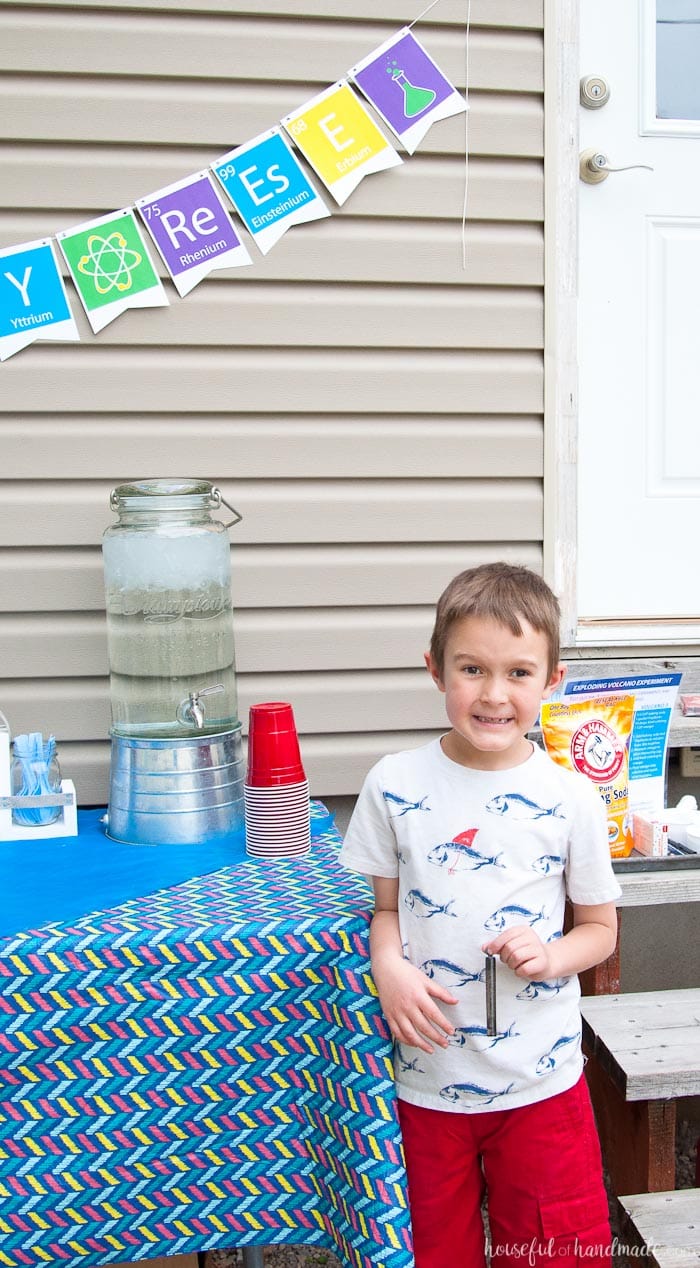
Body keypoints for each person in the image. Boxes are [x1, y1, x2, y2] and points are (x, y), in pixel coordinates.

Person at [339, 562, 621, 1268]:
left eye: (519, 673)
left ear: (552, 681)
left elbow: (600, 930)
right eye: (472, 668)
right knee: (435, 1252)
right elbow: (384, 910)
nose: (494, 694)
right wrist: (389, 968)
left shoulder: (570, 799)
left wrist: (552, 957)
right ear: (435, 669)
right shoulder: (394, 784)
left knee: (556, 1251)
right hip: (428, 1081)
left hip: (541, 1083)